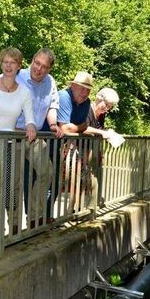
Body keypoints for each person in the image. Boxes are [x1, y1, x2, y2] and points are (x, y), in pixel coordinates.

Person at [0, 47, 36, 234]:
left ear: (19, 66)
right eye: (5, 61)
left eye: (12, 62)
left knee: (5, 194)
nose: (8, 65)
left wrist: (30, 126)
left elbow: (30, 118)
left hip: (9, 148)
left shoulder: (24, 92)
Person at [15, 48, 63, 228]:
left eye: (44, 66)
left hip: (35, 137)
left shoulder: (50, 82)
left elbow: (52, 107)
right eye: (37, 63)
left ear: (49, 69)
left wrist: (52, 125)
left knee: (47, 172)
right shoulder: (17, 75)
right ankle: (13, 224)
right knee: (15, 181)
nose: (38, 69)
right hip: (13, 134)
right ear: (32, 59)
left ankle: (35, 216)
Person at [56, 72, 93, 212]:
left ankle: (66, 213)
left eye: (88, 90)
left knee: (57, 182)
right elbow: (65, 128)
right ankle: (38, 219)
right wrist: (81, 127)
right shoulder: (64, 96)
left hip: (66, 146)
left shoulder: (86, 102)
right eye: (82, 88)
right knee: (49, 180)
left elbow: (77, 127)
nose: (85, 93)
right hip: (49, 143)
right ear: (72, 86)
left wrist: (77, 128)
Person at [83, 88, 119, 208]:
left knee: (92, 180)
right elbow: (84, 128)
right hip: (80, 151)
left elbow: (100, 129)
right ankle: (77, 210)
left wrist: (108, 133)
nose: (106, 108)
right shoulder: (87, 109)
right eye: (106, 104)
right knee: (80, 183)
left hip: (92, 152)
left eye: (110, 107)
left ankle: (89, 207)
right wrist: (101, 132)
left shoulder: (102, 115)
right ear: (99, 98)